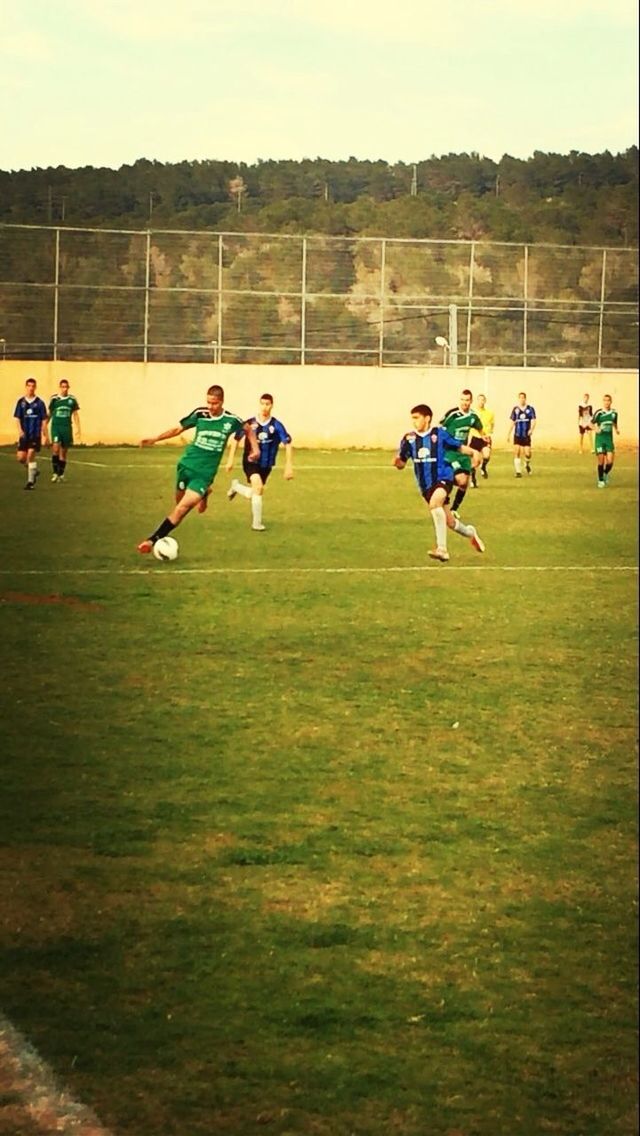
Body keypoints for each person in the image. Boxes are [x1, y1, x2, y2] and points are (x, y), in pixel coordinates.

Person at [137, 384, 259, 553]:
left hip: (204, 474)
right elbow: (178, 429)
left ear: (222, 402)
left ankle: (152, 540)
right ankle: (205, 493)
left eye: (214, 403)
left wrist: (256, 449)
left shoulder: (231, 420)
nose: (210, 407)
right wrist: (155, 439)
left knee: (182, 509)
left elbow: (249, 430)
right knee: (178, 502)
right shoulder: (199, 414)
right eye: (208, 402)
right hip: (186, 466)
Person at [393, 403, 486, 563]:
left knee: (435, 504)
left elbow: (458, 447)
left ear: (427, 418)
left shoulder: (439, 434)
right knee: (450, 522)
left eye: (417, 418)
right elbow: (402, 463)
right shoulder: (409, 439)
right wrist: (397, 462)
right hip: (425, 486)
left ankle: (442, 549)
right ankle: (470, 532)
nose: (414, 421)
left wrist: (474, 452)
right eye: (412, 418)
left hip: (444, 477)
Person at [225, 393, 293, 531]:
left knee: (257, 491)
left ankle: (236, 486)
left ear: (272, 406)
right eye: (262, 404)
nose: (264, 407)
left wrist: (288, 466)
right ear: (259, 404)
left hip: (266, 465)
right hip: (250, 462)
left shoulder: (277, 425)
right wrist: (230, 459)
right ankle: (256, 524)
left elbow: (288, 444)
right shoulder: (250, 423)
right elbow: (236, 439)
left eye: (267, 404)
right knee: (258, 486)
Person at [440, 389, 486, 509]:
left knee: (464, 483)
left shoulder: (473, 417)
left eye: (467, 400)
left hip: (463, 452)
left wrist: (484, 437)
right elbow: (440, 429)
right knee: (460, 479)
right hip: (450, 451)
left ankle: (454, 509)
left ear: (471, 401)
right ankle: (444, 485)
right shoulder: (452, 414)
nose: (464, 402)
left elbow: (480, 429)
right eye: (462, 400)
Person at [13, 377, 49, 490]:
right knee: (21, 458)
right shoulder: (21, 402)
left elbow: (44, 420)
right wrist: (20, 431)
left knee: (30, 456)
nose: (31, 388)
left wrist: (45, 435)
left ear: (35, 387)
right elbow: (17, 418)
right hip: (24, 435)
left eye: (33, 386)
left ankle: (30, 483)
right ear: (26, 387)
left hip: (35, 435)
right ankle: (34, 470)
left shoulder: (39, 403)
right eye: (29, 386)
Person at [48, 378, 81, 482]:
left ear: (68, 388)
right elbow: (49, 413)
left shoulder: (72, 400)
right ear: (60, 387)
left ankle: (61, 474)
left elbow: (75, 414)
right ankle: (54, 474)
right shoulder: (54, 399)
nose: (64, 389)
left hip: (66, 428)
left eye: (66, 387)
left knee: (64, 452)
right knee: (55, 449)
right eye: (62, 387)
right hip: (56, 427)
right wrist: (44, 426)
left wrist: (78, 428)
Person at [592, 394, 620, 487]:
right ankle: (600, 480)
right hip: (600, 439)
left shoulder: (614, 413)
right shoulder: (599, 413)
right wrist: (596, 429)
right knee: (601, 461)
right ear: (603, 402)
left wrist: (616, 429)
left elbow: (615, 422)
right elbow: (590, 423)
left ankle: (605, 473)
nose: (606, 402)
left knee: (610, 462)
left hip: (608, 439)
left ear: (611, 402)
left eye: (608, 400)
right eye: (605, 400)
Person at [507, 392, 537, 477]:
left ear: (525, 399)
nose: (522, 399)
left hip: (526, 435)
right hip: (517, 434)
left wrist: (531, 429)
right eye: (520, 398)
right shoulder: (515, 409)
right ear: (518, 399)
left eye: (523, 398)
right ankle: (518, 472)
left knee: (528, 453)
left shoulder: (530, 409)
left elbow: (534, 420)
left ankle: (526, 464)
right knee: (517, 452)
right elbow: (512, 422)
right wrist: (508, 434)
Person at [474, 392, 495, 480]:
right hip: (475, 438)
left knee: (486, 455)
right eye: (480, 400)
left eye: (483, 400)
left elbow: (492, 425)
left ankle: (483, 466)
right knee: (475, 461)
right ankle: (473, 479)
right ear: (477, 401)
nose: (481, 402)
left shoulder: (489, 414)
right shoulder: (473, 413)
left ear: (485, 401)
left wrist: (489, 435)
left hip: (485, 437)